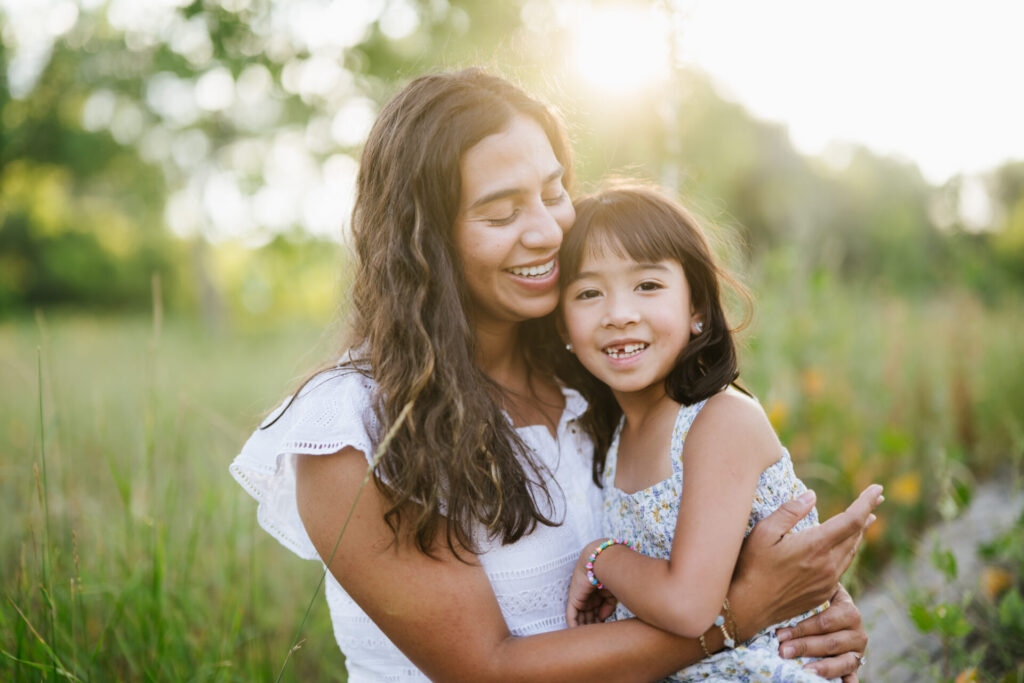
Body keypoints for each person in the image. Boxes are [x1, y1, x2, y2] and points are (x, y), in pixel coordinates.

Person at [230, 69, 878, 682]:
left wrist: (809, 605)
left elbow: (712, 514)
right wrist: (743, 616)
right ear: (426, 240)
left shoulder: (599, 374)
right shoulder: (352, 427)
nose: (545, 230)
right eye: (501, 212)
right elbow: (486, 669)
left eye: (552, 190)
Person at [558, 184, 882, 681]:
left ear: (698, 311)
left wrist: (600, 559)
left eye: (647, 285)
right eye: (588, 292)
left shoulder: (719, 421)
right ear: (562, 326)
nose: (618, 313)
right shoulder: (612, 436)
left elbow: (688, 605)